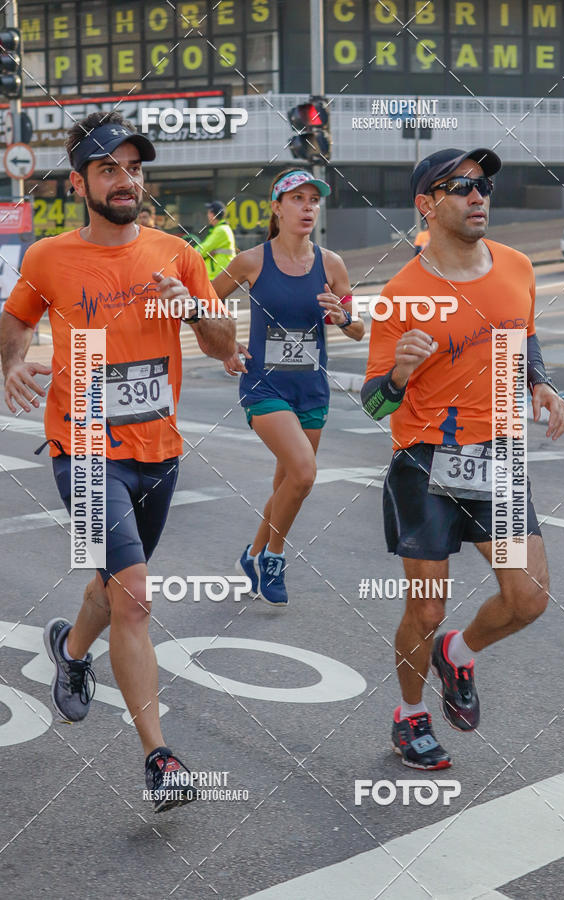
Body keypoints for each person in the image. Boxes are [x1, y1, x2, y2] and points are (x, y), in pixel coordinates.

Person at [0, 111, 235, 811]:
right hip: (84, 450)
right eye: (109, 168)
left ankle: (71, 651)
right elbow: (13, 324)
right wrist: (7, 365)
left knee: (114, 586)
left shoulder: (177, 253)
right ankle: (159, 757)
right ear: (80, 182)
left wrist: (192, 307)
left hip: (159, 453)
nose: (125, 179)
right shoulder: (48, 257)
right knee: (133, 594)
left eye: (134, 167)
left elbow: (225, 346)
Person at [362, 147, 564, 770]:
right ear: (427, 205)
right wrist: (398, 373)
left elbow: (519, 333)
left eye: (484, 185)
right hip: (426, 465)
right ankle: (410, 715)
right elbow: (372, 404)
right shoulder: (401, 294)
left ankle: (459, 650)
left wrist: (539, 381)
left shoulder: (518, 266)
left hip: (498, 456)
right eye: (460, 187)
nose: (479, 196)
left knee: (528, 597)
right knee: (425, 606)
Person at [212, 168, 364, 609]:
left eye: (313, 200)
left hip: (312, 390)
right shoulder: (251, 261)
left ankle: (253, 553)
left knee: (286, 484)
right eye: (297, 199)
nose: (308, 207)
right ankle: (275, 558)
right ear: (277, 208)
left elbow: (357, 329)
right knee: (303, 473)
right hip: (264, 387)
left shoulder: (331, 264)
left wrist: (343, 318)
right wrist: (223, 344)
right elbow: (207, 301)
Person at [194, 201, 237, 279]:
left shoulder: (220, 230)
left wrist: (192, 252)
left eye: (209, 213)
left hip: (218, 274)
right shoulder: (221, 228)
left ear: (213, 215)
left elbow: (202, 250)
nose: (207, 215)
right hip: (220, 273)